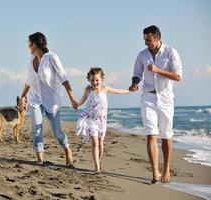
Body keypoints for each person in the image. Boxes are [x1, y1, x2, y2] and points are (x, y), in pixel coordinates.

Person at [129, 25, 182, 183]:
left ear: (157, 38)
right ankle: (155, 173)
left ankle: (166, 170)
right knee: (151, 134)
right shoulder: (142, 55)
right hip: (148, 98)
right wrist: (135, 83)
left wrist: (158, 70)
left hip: (165, 99)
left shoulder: (171, 52)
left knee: (166, 136)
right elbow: (137, 74)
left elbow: (178, 76)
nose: (146, 43)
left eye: (149, 40)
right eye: (145, 39)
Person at [21, 32, 78, 166]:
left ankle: (67, 150)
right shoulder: (31, 59)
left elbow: (63, 78)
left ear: (35, 43)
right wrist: (23, 96)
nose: (28, 46)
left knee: (56, 132)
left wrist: (72, 98)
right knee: (36, 128)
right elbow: (29, 81)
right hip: (35, 98)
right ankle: (40, 159)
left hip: (52, 101)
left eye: (29, 43)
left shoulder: (52, 57)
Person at [76, 67, 130, 173]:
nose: (95, 82)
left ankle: (99, 161)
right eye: (92, 80)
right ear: (89, 80)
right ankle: (96, 167)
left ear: (102, 79)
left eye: (97, 80)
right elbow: (82, 99)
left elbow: (118, 91)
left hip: (102, 121)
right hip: (91, 120)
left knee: (101, 143)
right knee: (95, 143)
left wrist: (129, 90)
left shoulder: (105, 89)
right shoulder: (88, 90)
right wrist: (76, 104)